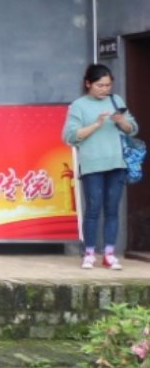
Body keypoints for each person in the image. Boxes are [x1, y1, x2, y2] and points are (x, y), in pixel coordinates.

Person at [63, 63, 138, 270]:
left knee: (112, 210)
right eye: (100, 85)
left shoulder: (116, 100)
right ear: (88, 84)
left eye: (108, 85)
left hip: (116, 162)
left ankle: (109, 254)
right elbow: (70, 136)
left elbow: (132, 128)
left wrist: (122, 121)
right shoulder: (79, 105)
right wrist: (96, 124)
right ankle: (89, 253)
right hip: (92, 165)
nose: (105, 89)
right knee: (93, 209)